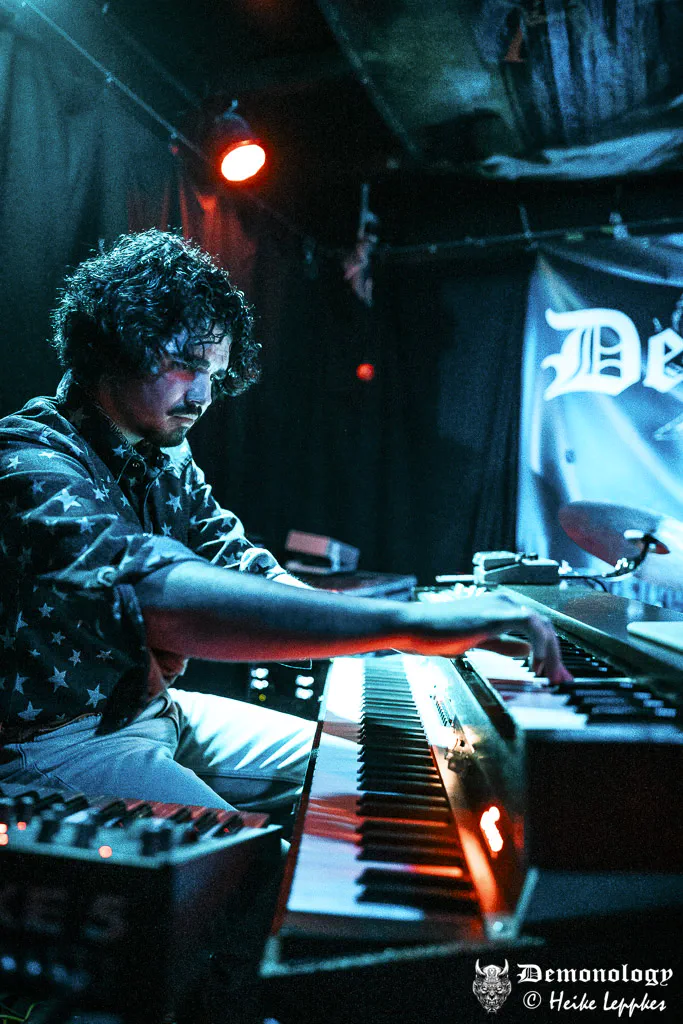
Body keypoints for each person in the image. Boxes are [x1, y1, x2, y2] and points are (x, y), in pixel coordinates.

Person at [0, 229, 570, 813]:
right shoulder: (26, 461)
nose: (203, 396)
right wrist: (413, 624)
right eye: (184, 365)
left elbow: (239, 563)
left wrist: (392, 652)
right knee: (240, 854)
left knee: (390, 772)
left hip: (155, 712)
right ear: (113, 344)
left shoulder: (167, 453)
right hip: (57, 741)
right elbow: (148, 590)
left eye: (214, 375)